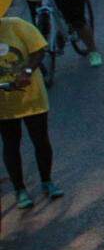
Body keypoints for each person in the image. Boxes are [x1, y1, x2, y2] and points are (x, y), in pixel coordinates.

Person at [0, 12, 61, 208]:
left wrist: (27, 71)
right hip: (4, 103)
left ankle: (47, 181)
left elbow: (38, 50)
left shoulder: (16, 25)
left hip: (32, 97)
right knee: (10, 144)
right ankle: (19, 189)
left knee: (40, 140)